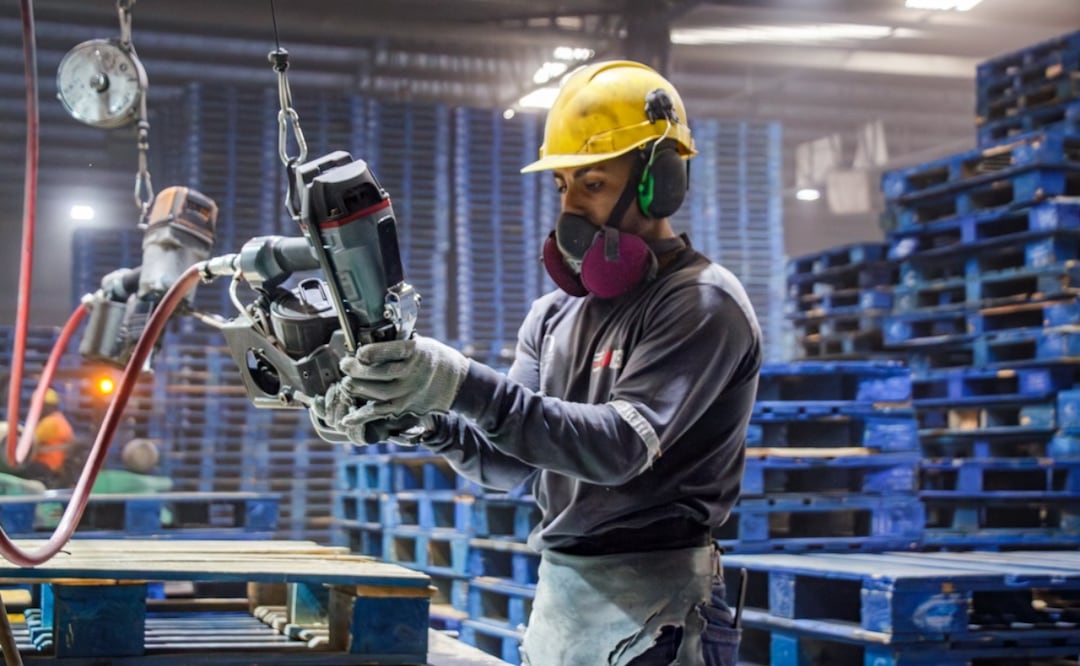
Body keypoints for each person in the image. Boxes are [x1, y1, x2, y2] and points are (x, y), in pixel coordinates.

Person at [315, 60, 761, 666]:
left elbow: (616, 449)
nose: (570, 210)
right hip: (561, 599)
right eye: (563, 187)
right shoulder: (553, 316)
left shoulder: (701, 302)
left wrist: (458, 380)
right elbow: (505, 461)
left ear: (661, 181)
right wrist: (421, 415)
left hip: (662, 611)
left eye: (593, 185)